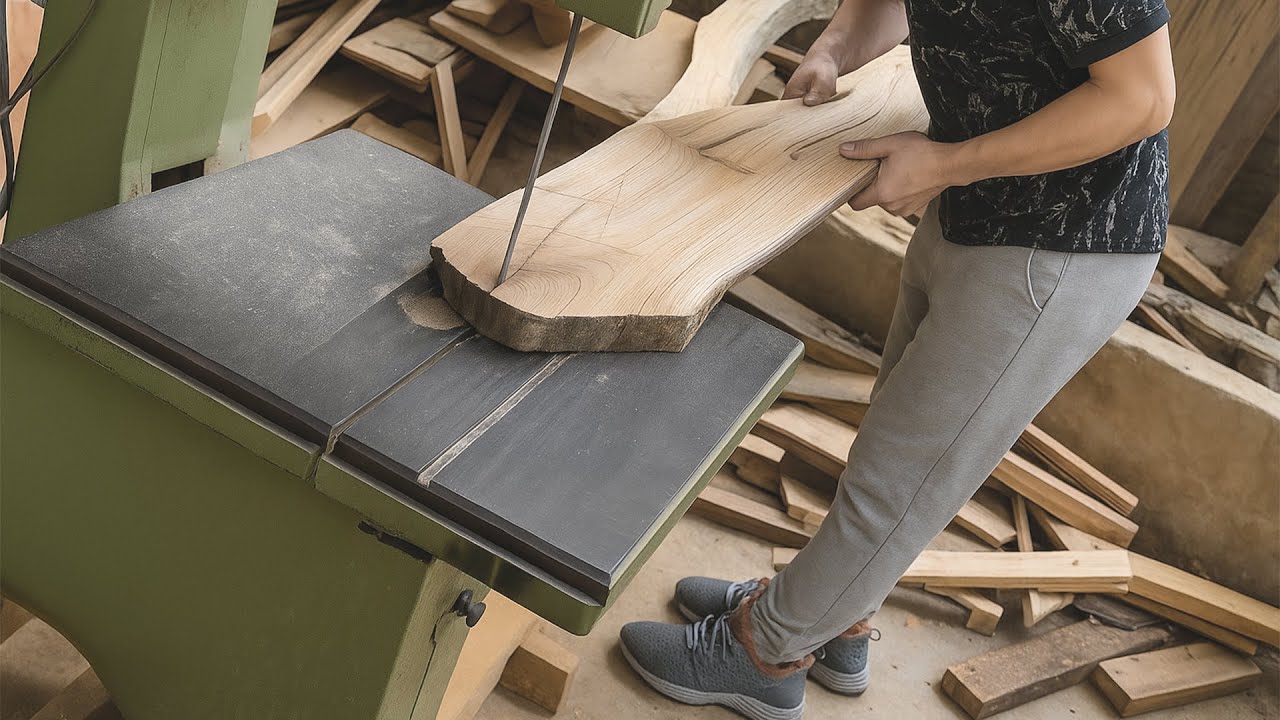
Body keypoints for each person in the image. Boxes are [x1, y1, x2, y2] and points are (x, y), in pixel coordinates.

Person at [618, 0, 1176, 718]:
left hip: (1065, 237)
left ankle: (766, 653)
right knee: (892, 441)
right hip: (974, 198)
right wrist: (833, 50)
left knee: (901, 480)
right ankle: (839, 623)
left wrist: (945, 163)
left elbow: (1142, 96)